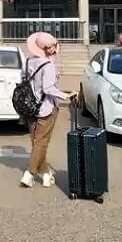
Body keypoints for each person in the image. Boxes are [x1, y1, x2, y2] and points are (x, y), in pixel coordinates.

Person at [20, 32, 77, 189]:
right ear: (50, 48)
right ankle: (30, 173)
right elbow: (48, 88)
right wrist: (66, 95)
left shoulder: (28, 62)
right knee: (42, 143)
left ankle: (45, 174)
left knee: (37, 142)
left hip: (30, 107)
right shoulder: (48, 66)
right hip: (46, 108)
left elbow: (23, 80)